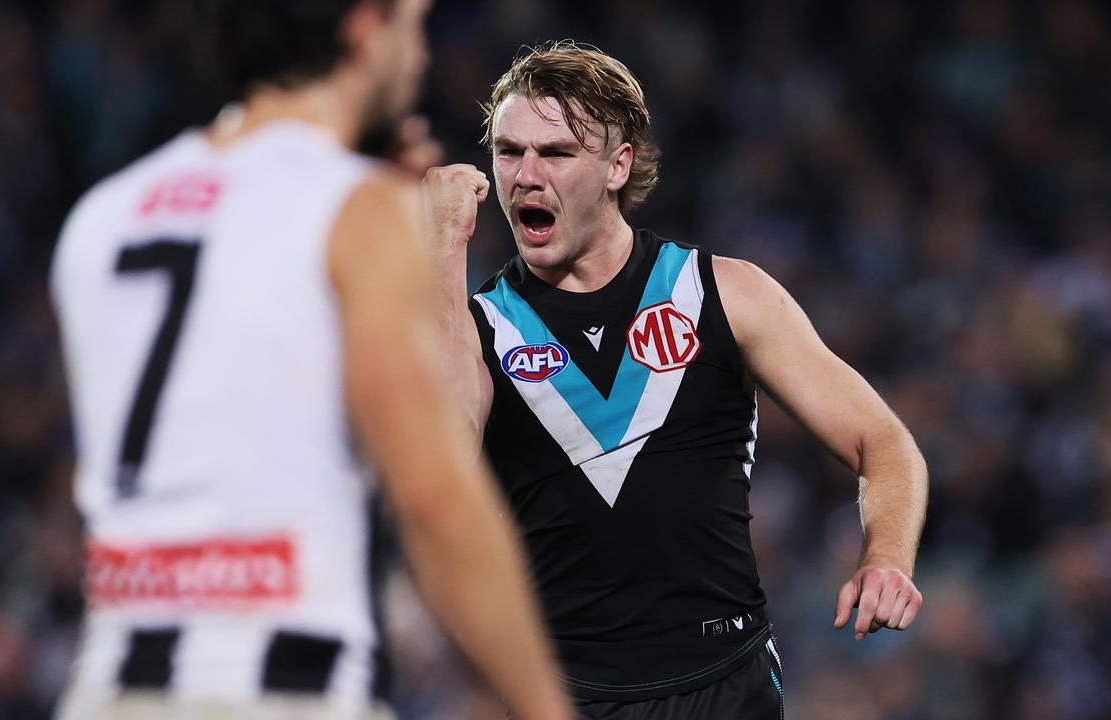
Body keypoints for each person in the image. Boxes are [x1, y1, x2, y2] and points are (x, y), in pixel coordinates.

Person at [49, 2, 572, 718]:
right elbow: (434, 496)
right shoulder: (359, 212)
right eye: (412, 25)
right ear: (363, 29)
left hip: (109, 684)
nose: (419, 55)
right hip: (280, 682)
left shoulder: (102, 218)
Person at [425, 40, 929, 718]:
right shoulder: (481, 329)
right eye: (510, 152)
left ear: (617, 166)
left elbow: (883, 441)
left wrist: (886, 558)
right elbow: (439, 467)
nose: (525, 175)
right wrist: (443, 249)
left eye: (557, 153)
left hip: (728, 687)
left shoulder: (723, 293)